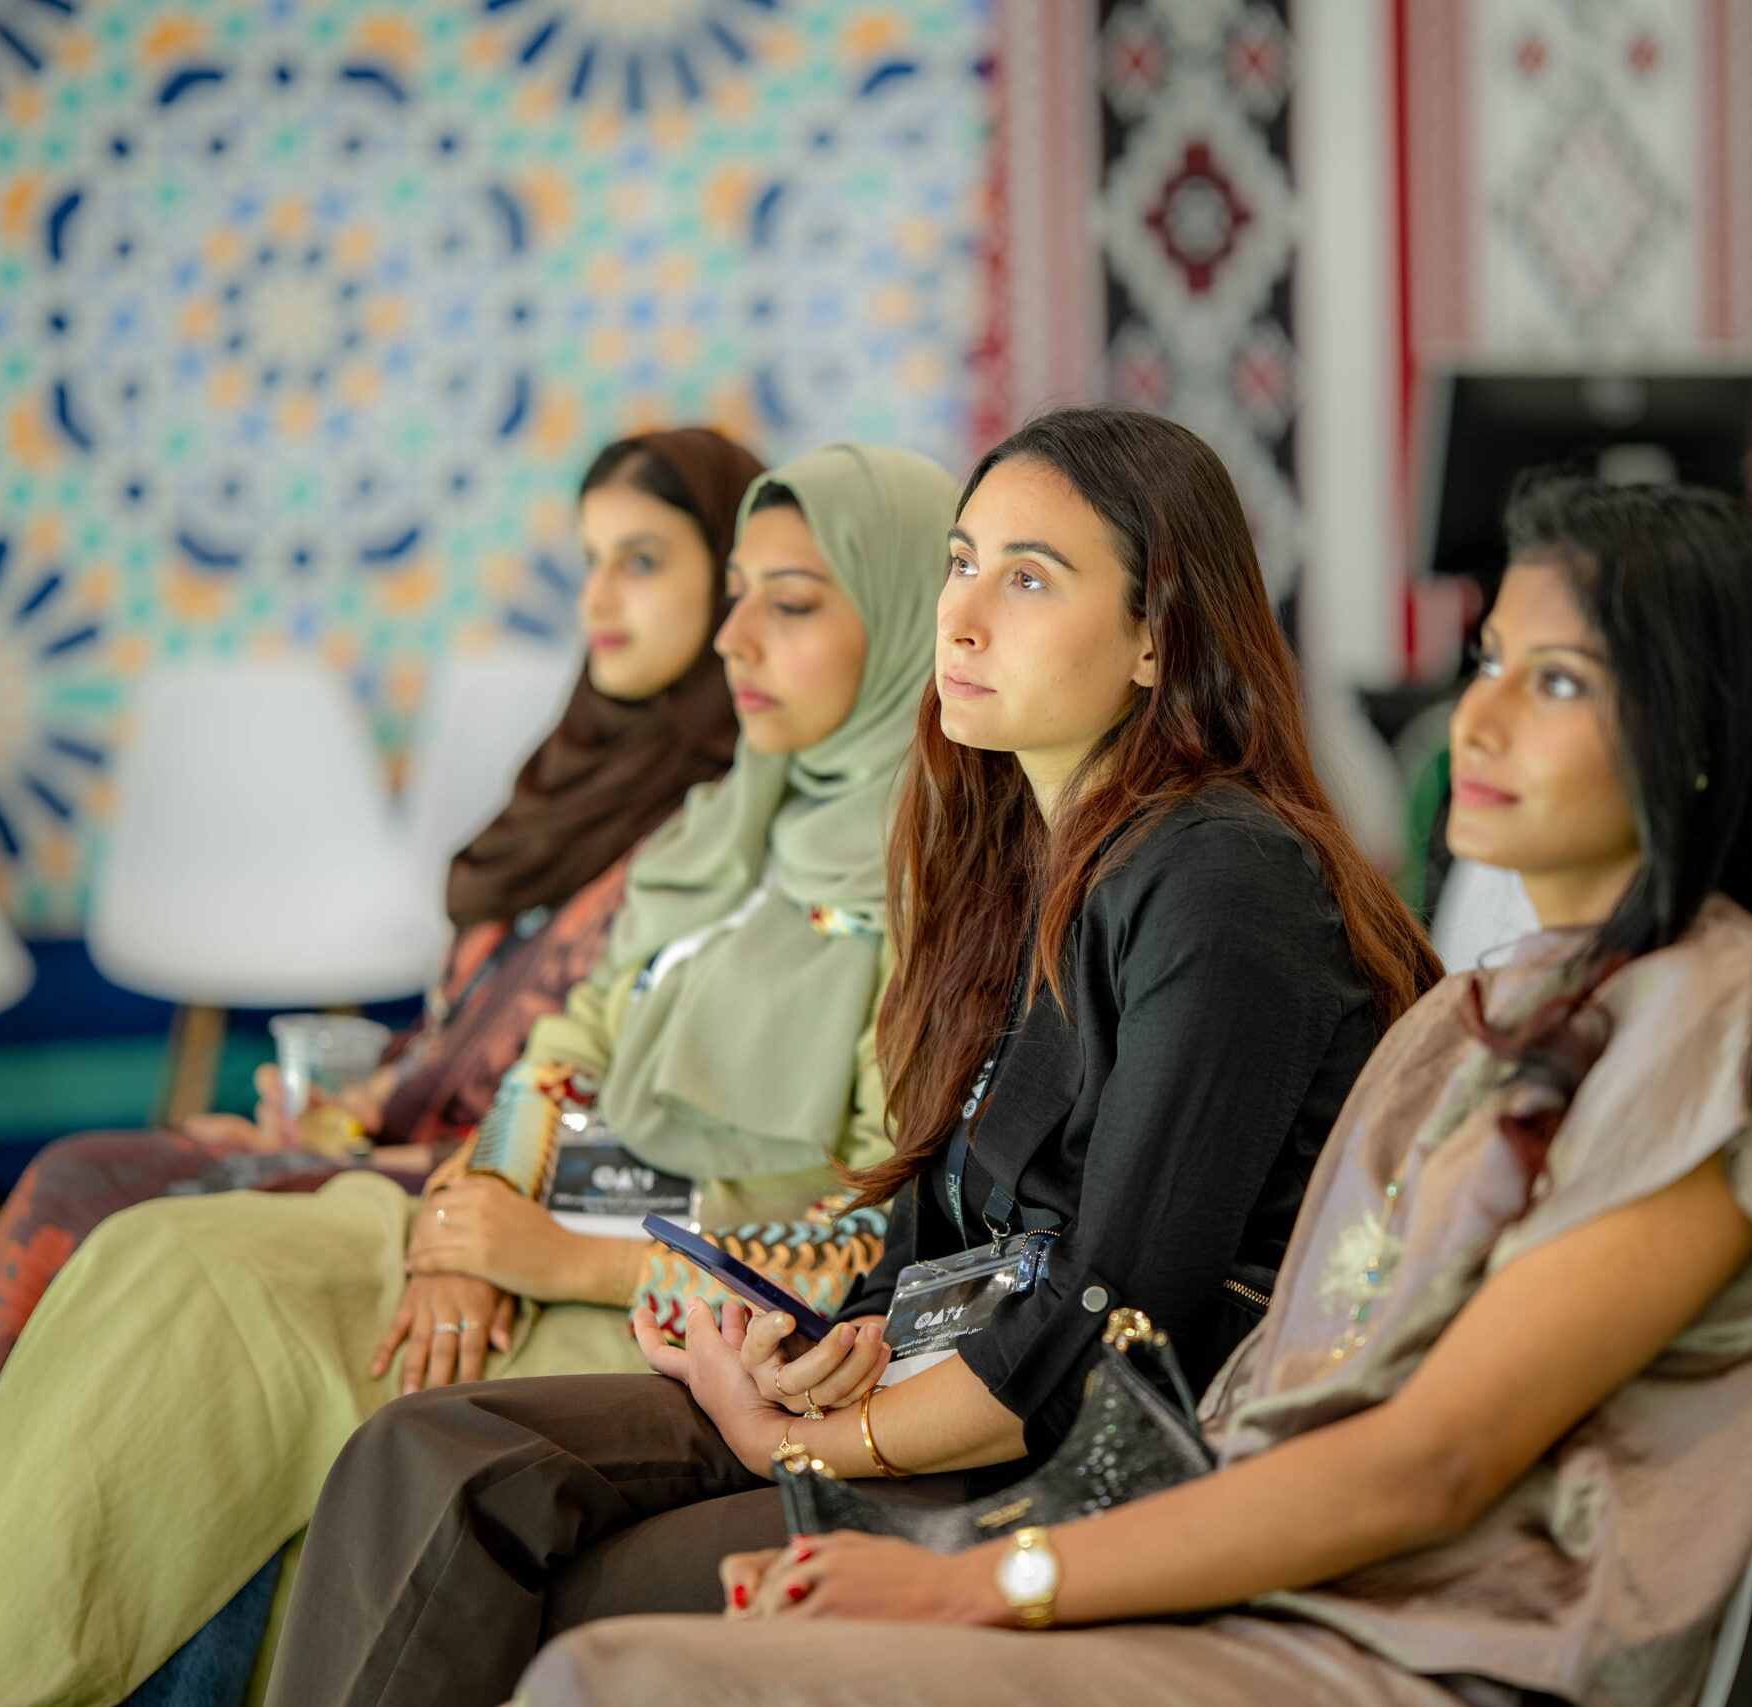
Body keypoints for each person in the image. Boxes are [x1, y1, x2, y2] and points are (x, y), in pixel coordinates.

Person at [512, 471, 1752, 1707]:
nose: (1474, 719)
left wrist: (981, 1576)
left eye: (1555, 683)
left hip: (1409, 1648)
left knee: (612, 1666)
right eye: (1487, 661)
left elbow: (1423, 1463)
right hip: (1242, 1567)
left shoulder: (1732, 1024)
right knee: (603, 1627)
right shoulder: (1488, 1014)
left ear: (1702, 730)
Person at [262, 406, 1441, 1707]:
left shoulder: (1220, 879)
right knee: (427, 1445)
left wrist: (823, 1440)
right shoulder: (1025, 855)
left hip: (1095, 1460)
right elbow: (932, 1217)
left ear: (1157, 634)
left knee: (601, 1584)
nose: (961, 616)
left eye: (1029, 579)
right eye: (959, 563)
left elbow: (1113, 1317)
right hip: (934, 1378)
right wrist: (793, 1348)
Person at [0, 442, 957, 1707]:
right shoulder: (720, 830)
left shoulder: (934, 892)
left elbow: (872, 1239)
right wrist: (468, 1219)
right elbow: (559, 1055)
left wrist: (557, 1261)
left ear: (901, 620)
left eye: (793, 603)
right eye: (736, 597)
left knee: (269, 1391)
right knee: (164, 1263)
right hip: (531, 1217)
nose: (734, 640)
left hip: (661, 1296)